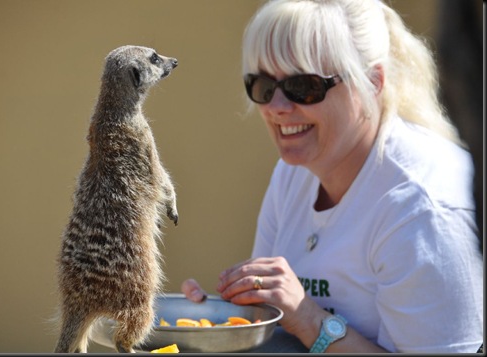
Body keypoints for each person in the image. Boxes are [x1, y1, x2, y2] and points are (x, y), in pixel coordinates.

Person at [181, 0, 483, 353]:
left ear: (373, 83)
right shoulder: (294, 173)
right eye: (262, 85)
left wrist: (310, 319)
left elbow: (297, 319)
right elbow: (274, 320)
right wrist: (220, 316)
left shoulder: (421, 208)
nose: (277, 108)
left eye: (304, 86)